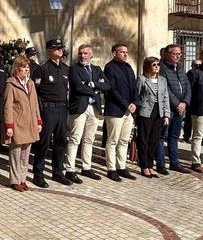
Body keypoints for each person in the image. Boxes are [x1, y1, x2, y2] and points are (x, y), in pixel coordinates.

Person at [64, 44, 110, 182]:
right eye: (80, 53)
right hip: (79, 108)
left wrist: (91, 84)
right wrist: (96, 88)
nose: (82, 56)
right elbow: (78, 87)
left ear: (91, 55)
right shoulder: (74, 69)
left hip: (94, 108)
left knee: (89, 139)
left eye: (85, 53)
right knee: (75, 139)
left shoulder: (96, 69)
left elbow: (107, 85)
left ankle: (86, 167)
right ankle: (70, 170)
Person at [31, 38, 72, 187]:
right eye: (57, 48)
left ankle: (58, 172)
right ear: (49, 51)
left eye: (61, 48)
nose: (61, 50)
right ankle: (38, 174)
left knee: (61, 142)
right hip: (48, 109)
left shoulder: (65, 68)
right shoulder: (42, 68)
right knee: (44, 142)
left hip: (62, 109)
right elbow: (35, 91)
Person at [3, 56, 43, 191]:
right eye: (23, 67)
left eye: (28, 67)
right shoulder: (11, 84)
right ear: (17, 68)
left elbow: (35, 103)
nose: (26, 69)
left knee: (26, 154)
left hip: (30, 124)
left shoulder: (30, 83)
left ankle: (22, 179)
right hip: (17, 124)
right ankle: (14, 180)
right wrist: (9, 126)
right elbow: (8, 106)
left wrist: (38, 121)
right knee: (16, 154)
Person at [103, 43, 138, 182]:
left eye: (126, 52)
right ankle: (111, 169)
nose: (125, 54)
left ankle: (121, 167)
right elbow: (111, 89)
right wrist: (125, 104)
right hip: (115, 110)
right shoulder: (109, 68)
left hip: (129, 111)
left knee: (124, 140)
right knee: (112, 140)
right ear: (114, 53)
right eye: (122, 52)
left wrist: (135, 103)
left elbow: (134, 88)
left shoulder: (129, 68)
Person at [157, 44, 190, 174]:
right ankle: (161, 164)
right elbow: (165, 88)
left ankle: (174, 162)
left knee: (174, 136)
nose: (177, 56)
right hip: (167, 108)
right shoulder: (161, 68)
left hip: (180, 108)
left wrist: (185, 102)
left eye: (179, 54)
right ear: (167, 54)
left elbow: (187, 85)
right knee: (162, 136)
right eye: (175, 54)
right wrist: (177, 103)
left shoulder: (180, 67)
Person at [135, 57, 170, 178]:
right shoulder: (142, 79)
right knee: (144, 139)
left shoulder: (162, 80)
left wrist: (166, 114)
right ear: (147, 66)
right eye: (153, 64)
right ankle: (144, 166)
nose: (156, 66)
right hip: (145, 112)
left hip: (158, 112)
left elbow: (166, 98)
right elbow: (137, 95)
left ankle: (150, 165)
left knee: (154, 140)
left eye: (158, 64)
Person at [182, 58, 202, 142]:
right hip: (191, 100)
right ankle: (186, 136)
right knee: (189, 120)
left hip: (201, 101)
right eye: (195, 65)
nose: (197, 66)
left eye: (199, 65)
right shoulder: (189, 74)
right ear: (192, 66)